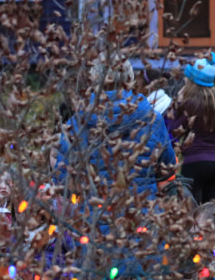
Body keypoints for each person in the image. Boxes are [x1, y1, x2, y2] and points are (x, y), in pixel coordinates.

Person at [55, 56, 177, 208]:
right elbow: (167, 171)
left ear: (94, 80)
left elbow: (64, 182)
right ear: (129, 79)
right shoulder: (152, 120)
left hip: (95, 215)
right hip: (143, 213)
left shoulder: (76, 125)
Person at [165, 53, 215, 204]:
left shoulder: (189, 103)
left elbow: (172, 130)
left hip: (194, 163)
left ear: (191, 82)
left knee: (191, 210)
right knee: (213, 211)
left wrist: (176, 106)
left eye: (186, 80)